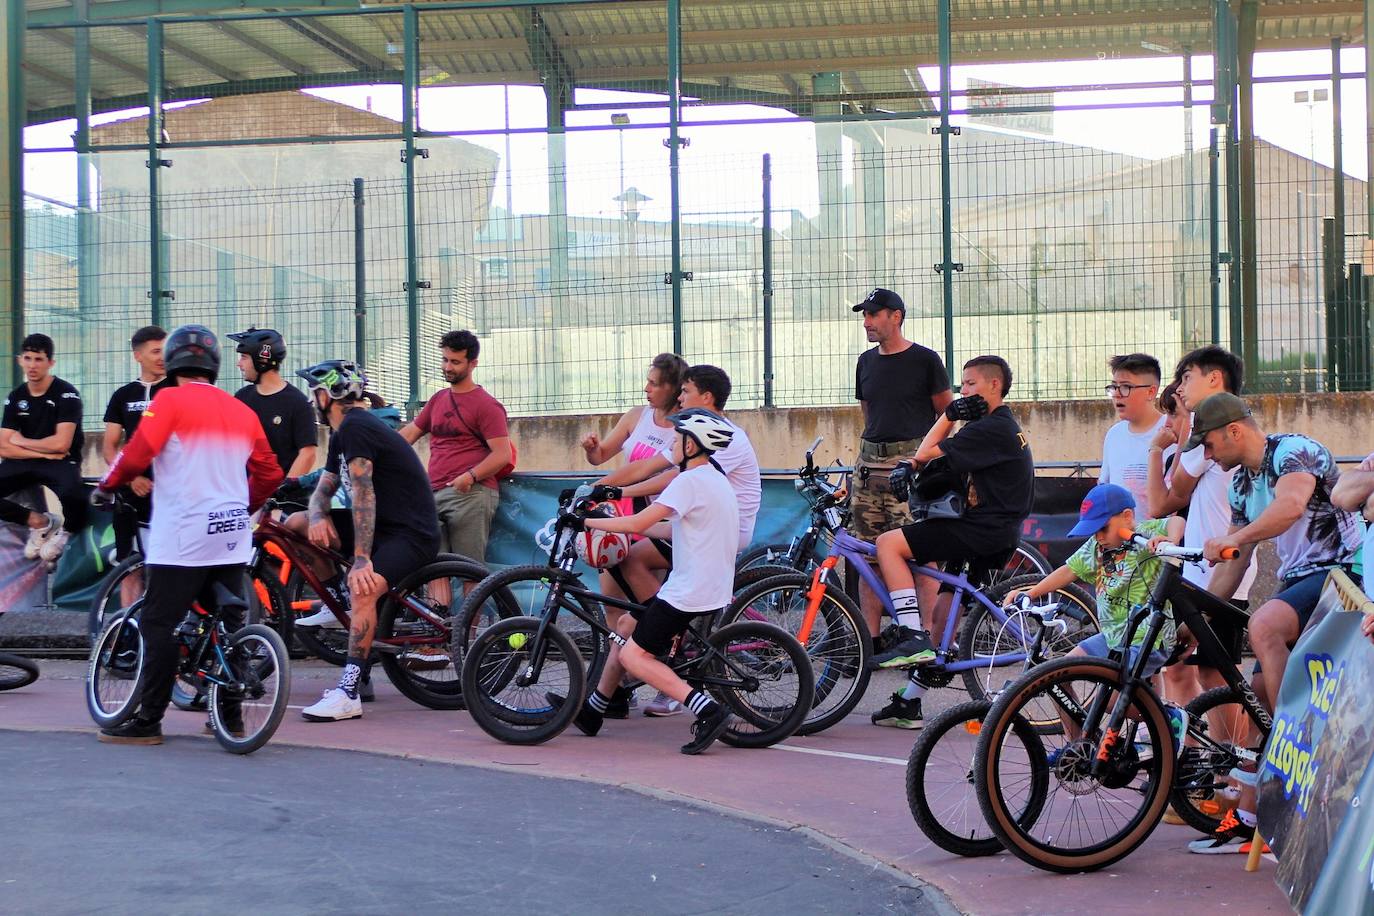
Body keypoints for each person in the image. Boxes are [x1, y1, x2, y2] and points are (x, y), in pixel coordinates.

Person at [92, 325, 283, 744]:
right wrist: (243, 505)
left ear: (173, 361)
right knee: (229, 625)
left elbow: (135, 455)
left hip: (183, 533)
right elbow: (270, 472)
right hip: (231, 533)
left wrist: (107, 485)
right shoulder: (241, 410)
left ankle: (148, 722)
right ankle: (230, 719)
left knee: (157, 622)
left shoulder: (168, 401)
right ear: (213, 366)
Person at [1192, 392, 1363, 852]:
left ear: (1234, 430)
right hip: (1300, 579)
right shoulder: (1240, 484)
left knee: (1264, 627)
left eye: (1208, 443)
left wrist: (1232, 538)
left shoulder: (1293, 451)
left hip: (1344, 571)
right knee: (1257, 694)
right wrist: (1195, 615)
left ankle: (1298, 736)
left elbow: (1290, 507)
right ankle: (1253, 817)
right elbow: (1234, 561)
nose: (1206, 455)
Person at [866, 356, 1034, 727]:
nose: (963, 391)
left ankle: (910, 634)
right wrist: (912, 466)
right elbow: (931, 461)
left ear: (994, 385)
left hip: (981, 530)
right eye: (962, 385)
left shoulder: (990, 428)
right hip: (995, 531)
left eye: (970, 384)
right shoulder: (996, 426)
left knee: (889, 544)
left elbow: (927, 451)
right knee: (942, 623)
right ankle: (910, 702)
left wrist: (948, 415)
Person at [587, 364, 761, 718]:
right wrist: (602, 488)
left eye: (685, 391)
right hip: (694, 527)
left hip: (717, 535)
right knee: (629, 603)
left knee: (635, 570)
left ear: (706, 397)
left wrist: (593, 512)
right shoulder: (696, 439)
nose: (679, 398)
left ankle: (668, 642)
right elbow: (650, 467)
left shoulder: (717, 446)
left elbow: (665, 484)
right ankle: (595, 709)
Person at [565, 409, 740, 755]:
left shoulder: (689, 482)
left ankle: (709, 711)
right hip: (707, 585)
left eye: (677, 439)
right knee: (626, 625)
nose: (672, 444)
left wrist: (586, 523)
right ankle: (594, 710)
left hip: (687, 592)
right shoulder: (713, 478)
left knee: (634, 657)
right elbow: (669, 529)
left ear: (691, 445)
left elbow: (636, 523)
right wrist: (627, 528)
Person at [294, 360, 441, 722]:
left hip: (410, 533)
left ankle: (348, 692)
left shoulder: (358, 427)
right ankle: (339, 602)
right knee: (297, 524)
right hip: (383, 528)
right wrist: (317, 516)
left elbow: (363, 495)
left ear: (327, 396)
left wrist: (361, 559)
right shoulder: (342, 432)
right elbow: (325, 488)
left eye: (315, 393)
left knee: (363, 588)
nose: (312, 401)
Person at [1003, 483, 1188, 745]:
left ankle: (1168, 717)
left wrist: (1170, 541)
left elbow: (1176, 521)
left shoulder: (1145, 534)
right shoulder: (1096, 547)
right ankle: (1078, 747)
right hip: (1113, 637)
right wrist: (1031, 593)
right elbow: (1068, 571)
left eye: (1103, 528)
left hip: (1147, 638)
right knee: (1059, 676)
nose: (1098, 536)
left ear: (1127, 517)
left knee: (1112, 700)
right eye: (1094, 530)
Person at [1144, 349, 1256, 725]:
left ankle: (1233, 758)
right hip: (1199, 571)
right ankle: (1201, 750)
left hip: (1223, 571)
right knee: (1190, 672)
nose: (1181, 387)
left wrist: (1168, 442)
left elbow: (1167, 498)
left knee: (1217, 676)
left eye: (1187, 377)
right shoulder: (1209, 430)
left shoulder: (1216, 432)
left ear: (1214, 378)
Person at [579, 352, 688, 716]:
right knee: (613, 604)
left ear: (672, 389)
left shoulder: (683, 429)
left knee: (652, 610)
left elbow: (652, 473)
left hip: (657, 520)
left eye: (654, 383)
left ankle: (670, 679)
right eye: (648, 381)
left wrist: (606, 489)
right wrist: (593, 451)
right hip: (622, 518)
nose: (647, 388)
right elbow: (602, 457)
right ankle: (620, 689)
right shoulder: (635, 417)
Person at [850, 287, 954, 638]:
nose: (867, 322)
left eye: (873, 314)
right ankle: (870, 642)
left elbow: (948, 416)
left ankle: (927, 639)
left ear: (896, 316)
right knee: (869, 560)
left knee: (920, 556)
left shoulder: (925, 360)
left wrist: (925, 460)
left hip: (909, 474)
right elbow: (869, 414)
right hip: (868, 472)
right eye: (865, 315)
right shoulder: (866, 362)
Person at [399, 330, 511, 568]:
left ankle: (474, 596)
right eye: (445, 359)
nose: (447, 367)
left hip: (470, 493)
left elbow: (502, 454)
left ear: (473, 364)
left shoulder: (487, 405)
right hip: (433, 494)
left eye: (455, 362)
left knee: (469, 570)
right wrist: (375, 451)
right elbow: (409, 434)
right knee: (432, 570)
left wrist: (469, 477)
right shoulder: (438, 399)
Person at [0, 333, 88, 564]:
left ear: (51, 363)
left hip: (61, 460)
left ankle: (66, 531)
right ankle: (40, 523)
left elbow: (61, 444)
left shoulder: (66, 394)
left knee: (74, 495)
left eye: (39, 359)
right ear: (20, 360)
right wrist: (40, 452)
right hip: (28, 460)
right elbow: (4, 447)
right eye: (27, 358)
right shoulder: (16, 396)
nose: (32, 365)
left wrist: (22, 440)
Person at [101, 325, 171, 605]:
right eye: (155, 352)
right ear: (137, 356)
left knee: (167, 568)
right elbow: (109, 447)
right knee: (129, 566)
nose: (161, 357)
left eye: (165, 351)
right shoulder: (123, 395)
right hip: (131, 495)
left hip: (169, 492)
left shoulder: (176, 390)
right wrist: (131, 479)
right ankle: (127, 629)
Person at [229, 327, 318, 482]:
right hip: (244, 491)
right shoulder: (241, 398)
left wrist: (284, 489)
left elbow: (308, 453)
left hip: (280, 494)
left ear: (262, 359)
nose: (239, 364)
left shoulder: (298, 403)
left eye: (244, 357)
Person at [1099, 352, 1165, 515]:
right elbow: (1105, 487)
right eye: (1114, 387)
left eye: (1126, 387)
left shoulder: (1171, 432)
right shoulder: (1114, 435)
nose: (1117, 394)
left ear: (1151, 392)